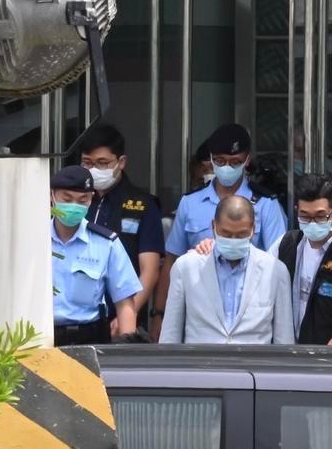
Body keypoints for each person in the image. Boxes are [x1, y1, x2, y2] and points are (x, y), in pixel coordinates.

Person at [195, 174, 332, 345]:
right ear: (296, 211)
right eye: (305, 215)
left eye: (321, 216)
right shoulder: (286, 244)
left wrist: (317, 368)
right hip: (289, 356)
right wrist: (214, 245)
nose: (312, 222)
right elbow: (253, 271)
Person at [152, 123, 287, 340]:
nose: (227, 167)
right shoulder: (190, 203)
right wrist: (159, 314)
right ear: (212, 160)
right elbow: (172, 260)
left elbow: (276, 263)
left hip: (251, 311)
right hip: (200, 313)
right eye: (221, 161)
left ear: (247, 160)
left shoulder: (266, 204)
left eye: (235, 162)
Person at [159, 196, 294, 344]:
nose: (233, 239)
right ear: (213, 226)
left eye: (241, 234)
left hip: (253, 365)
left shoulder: (275, 271)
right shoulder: (186, 267)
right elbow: (170, 334)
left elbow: (284, 339)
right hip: (201, 365)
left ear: (253, 229)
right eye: (226, 234)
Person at [79, 124, 164, 335]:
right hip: (78, 317)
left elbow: (150, 270)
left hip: (123, 318)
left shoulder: (142, 205)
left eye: (102, 163)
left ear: (121, 162)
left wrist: (128, 312)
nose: (93, 170)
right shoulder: (71, 201)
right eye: (87, 163)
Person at [51, 165, 143, 345]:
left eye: (82, 200)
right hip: (42, 337)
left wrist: (128, 351)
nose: (74, 206)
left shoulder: (106, 243)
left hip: (89, 337)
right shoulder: (32, 240)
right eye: (67, 199)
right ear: (52, 196)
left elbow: (125, 304)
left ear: (91, 199)